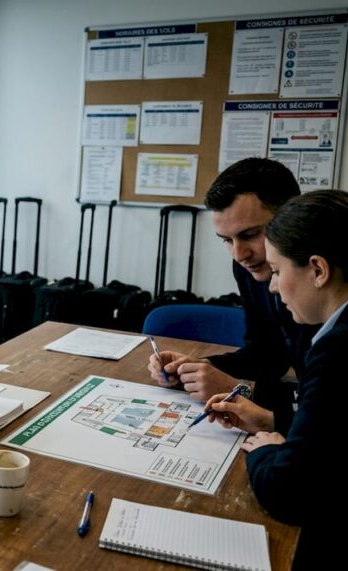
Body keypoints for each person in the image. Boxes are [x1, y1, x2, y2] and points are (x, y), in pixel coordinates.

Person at [202, 189, 348, 569]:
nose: (271, 285)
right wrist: (272, 421)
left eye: (279, 272)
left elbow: (289, 492)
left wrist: (265, 451)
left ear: (318, 270)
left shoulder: (335, 350)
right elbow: (333, 432)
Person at [147, 158, 319, 405]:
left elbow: (320, 405)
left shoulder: (322, 287)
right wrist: (197, 369)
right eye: (227, 240)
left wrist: (237, 390)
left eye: (249, 235)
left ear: (290, 219)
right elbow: (266, 355)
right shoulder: (249, 267)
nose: (239, 255)